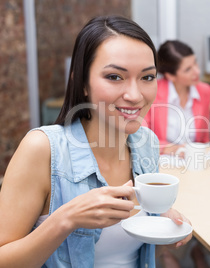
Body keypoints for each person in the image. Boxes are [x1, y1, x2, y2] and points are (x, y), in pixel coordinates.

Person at [0, 15, 192, 267]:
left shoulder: (146, 142)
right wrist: (67, 219)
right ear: (82, 83)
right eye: (114, 77)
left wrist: (162, 216)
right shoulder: (43, 148)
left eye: (147, 77)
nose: (135, 95)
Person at [144, 40, 210, 155]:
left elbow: (204, 138)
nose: (197, 71)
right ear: (170, 76)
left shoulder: (204, 91)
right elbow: (142, 135)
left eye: (195, 63)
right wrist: (172, 148)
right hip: (163, 161)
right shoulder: (151, 92)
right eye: (188, 69)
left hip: (194, 160)